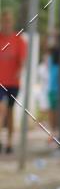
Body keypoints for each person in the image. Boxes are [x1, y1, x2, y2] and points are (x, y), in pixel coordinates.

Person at [0, 10, 27, 154]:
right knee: (1, 109)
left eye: (9, 21)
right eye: (4, 21)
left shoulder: (18, 40)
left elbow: (22, 60)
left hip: (13, 83)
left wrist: (19, 69)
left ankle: (9, 142)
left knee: (9, 112)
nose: (6, 24)